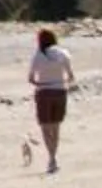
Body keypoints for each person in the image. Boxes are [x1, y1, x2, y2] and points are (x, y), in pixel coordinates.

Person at [27, 27, 75, 174]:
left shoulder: (38, 56)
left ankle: (51, 158)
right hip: (60, 91)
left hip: (44, 92)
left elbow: (31, 78)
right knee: (56, 127)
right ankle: (54, 157)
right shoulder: (63, 54)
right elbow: (71, 76)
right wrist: (60, 81)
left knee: (45, 127)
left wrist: (41, 83)